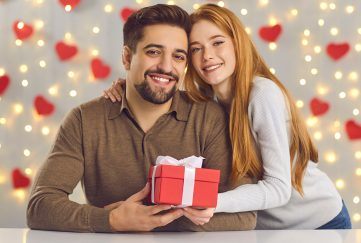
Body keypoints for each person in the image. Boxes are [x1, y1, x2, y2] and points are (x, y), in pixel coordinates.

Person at [104, 4, 351, 229]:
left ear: (236, 43)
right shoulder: (206, 102)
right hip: (268, 230)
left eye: (217, 43)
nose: (207, 55)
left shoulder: (261, 95)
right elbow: (163, 94)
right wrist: (130, 87)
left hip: (320, 223)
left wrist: (210, 202)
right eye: (196, 49)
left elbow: (279, 190)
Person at [26, 4, 256, 233]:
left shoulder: (209, 118)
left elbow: (245, 216)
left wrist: (145, 220)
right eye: (154, 52)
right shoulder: (84, 120)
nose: (167, 67)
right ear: (127, 57)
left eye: (178, 56)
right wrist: (111, 220)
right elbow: (40, 206)